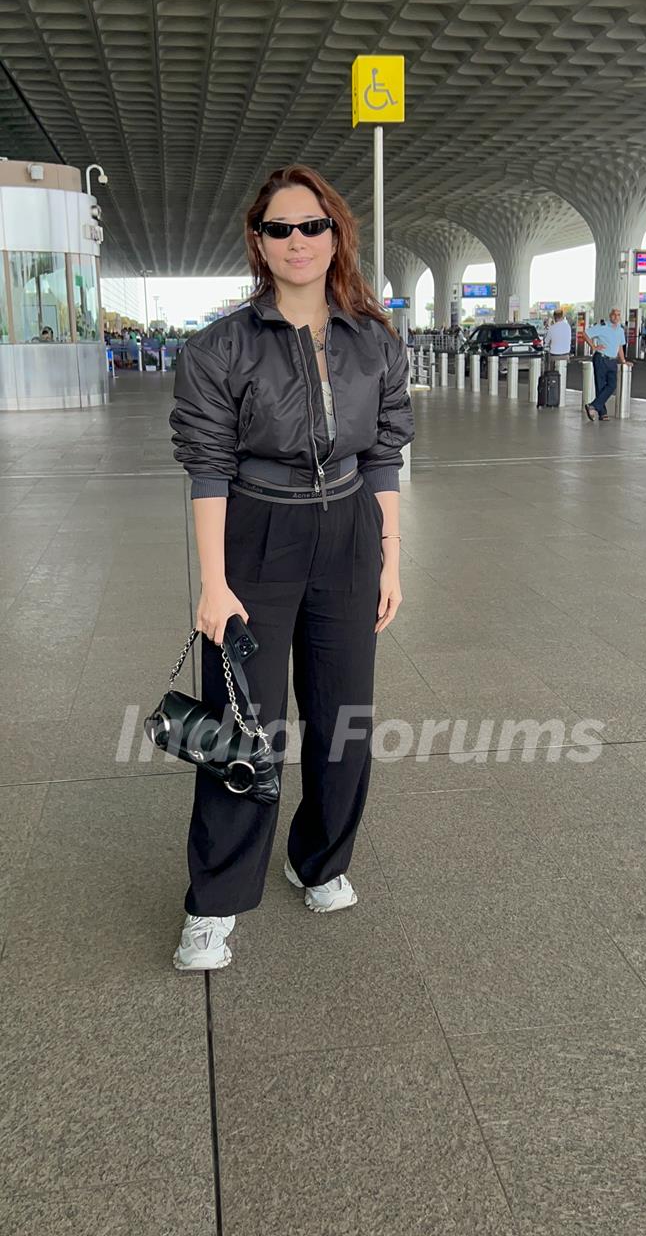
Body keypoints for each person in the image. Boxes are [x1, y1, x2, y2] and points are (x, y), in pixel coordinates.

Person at [168, 163, 415, 971]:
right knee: (246, 723)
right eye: (281, 228)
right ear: (259, 242)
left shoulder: (374, 339)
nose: (299, 241)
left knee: (346, 720)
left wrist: (389, 559)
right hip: (255, 536)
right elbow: (206, 465)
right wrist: (213, 582)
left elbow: (385, 454)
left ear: (336, 235)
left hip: (347, 532)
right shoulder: (222, 347)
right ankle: (215, 901)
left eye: (314, 225)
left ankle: (321, 860)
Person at [579, 307, 627, 421]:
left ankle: (593, 406)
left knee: (612, 385)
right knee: (600, 385)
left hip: (612, 360)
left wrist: (623, 360)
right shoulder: (602, 326)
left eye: (618, 314)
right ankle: (602, 413)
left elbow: (619, 346)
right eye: (614, 314)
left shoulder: (620, 330)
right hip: (601, 358)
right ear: (610, 315)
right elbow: (585, 334)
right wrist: (593, 346)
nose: (616, 317)